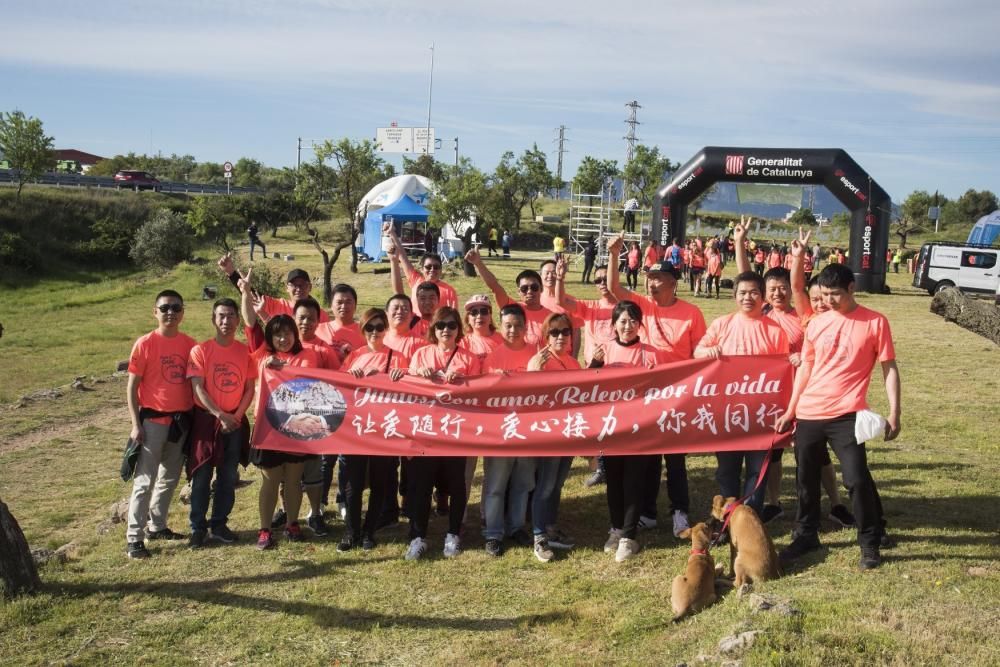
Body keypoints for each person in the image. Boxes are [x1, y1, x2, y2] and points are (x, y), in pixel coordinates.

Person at [775, 263, 901, 570]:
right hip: (810, 412)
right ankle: (806, 534)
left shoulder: (874, 322)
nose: (829, 301)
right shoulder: (816, 324)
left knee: (856, 479)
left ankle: (869, 541)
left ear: (852, 289)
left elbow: (889, 367)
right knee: (806, 479)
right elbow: (806, 368)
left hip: (847, 413)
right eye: (825, 294)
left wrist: (895, 411)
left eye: (835, 295)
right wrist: (792, 410)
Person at [607, 233, 706, 538]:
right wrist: (614, 255)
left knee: (674, 458)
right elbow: (614, 289)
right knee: (646, 458)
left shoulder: (691, 313)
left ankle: (679, 511)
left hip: (676, 394)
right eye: (650, 277)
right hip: (643, 396)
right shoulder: (642, 306)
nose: (652, 283)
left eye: (659, 278)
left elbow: (699, 350)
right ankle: (647, 512)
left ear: (674, 282)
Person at [694, 272, 790, 515]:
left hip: (760, 414)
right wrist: (707, 352)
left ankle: (750, 516)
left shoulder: (775, 331)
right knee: (727, 471)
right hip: (727, 413)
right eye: (743, 293)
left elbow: (783, 374)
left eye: (754, 293)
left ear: (763, 297)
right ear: (734, 296)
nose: (748, 298)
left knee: (758, 472)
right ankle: (729, 518)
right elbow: (697, 352)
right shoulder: (722, 324)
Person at [588, 300, 668, 561]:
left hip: (640, 429)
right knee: (614, 481)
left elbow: (666, 388)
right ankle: (615, 527)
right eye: (622, 321)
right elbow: (589, 386)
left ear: (640, 324)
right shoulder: (604, 351)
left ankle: (628, 536)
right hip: (611, 427)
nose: (628, 326)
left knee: (634, 481)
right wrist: (595, 365)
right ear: (613, 325)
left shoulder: (652, 353)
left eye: (633, 320)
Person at [124, 290, 196, 559]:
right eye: (165, 308)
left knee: (169, 478)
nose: (170, 313)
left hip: (180, 422)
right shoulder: (145, 344)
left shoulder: (190, 344)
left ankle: (157, 526)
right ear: (155, 312)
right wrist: (135, 424)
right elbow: (132, 387)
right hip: (152, 422)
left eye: (176, 308)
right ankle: (134, 538)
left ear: (182, 312)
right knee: (144, 480)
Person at [405, 307, 481, 560]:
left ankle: (453, 535)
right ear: (433, 329)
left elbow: (482, 392)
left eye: (451, 325)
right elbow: (409, 390)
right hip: (425, 432)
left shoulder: (470, 358)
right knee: (421, 487)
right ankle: (418, 536)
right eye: (440, 325)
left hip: (455, 432)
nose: (446, 330)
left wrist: (465, 380)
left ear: (459, 329)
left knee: (457, 486)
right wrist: (419, 375)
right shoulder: (420, 354)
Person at [185, 298, 256, 549]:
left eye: (231, 316)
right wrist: (219, 414)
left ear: (238, 320)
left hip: (235, 422)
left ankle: (219, 524)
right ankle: (197, 528)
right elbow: (198, 388)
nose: (226, 321)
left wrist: (236, 415)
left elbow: (249, 388)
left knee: (227, 475)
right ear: (214, 319)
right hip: (207, 420)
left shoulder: (245, 352)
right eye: (221, 316)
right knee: (202, 474)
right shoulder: (200, 351)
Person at [337, 308, 409, 552]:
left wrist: (398, 376)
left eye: (380, 327)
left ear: (386, 329)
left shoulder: (397, 357)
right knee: (352, 485)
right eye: (370, 327)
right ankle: (351, 531)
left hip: (383, 429)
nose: (375, 332)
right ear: (363, 330)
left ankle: (369, 531)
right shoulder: (354, 356)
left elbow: (409, 389)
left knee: (380, 483)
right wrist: (350, 375)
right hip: (357, 429)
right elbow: (339, 388)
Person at [480, 304, 541, 558]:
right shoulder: (493, 357)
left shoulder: (536, 354)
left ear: (526, 327)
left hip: (529, 430)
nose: (513, 330)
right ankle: (493, 532)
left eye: (518, 325)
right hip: (501, 431)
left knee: (523, 482)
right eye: (508, 326)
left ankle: (516, 526)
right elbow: (482, 396)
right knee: (495, 484)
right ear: (501, 326)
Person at [521, 312, 582, 561]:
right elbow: (527, 397)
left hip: (568, 431)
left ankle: (550, 527)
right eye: (554, 332)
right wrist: (532, 372)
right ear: (546, 336)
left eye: (565, 332)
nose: (560, 336)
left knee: (557, 485)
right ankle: (539, 536)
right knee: (545, 486)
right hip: (548, 432)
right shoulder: (538, 361)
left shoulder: (573, 363)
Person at [555, 260, 618, 487]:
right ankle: (601, 467)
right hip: (594, 372)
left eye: (605, 278)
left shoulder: (624, 306)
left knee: (618, 423)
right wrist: (560, 278)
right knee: (598, 423)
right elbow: (561, 301)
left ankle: (617, 467)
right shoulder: (590, 307)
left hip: (621, 374)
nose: (602, 283)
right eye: (598, 280)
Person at [466, 248, 552, 347]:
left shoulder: (551, 317)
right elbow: (495, 286)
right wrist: (478, 264)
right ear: (519, 291)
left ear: (541, 288)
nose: (529, 291)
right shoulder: (512, 309)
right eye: (524, 288)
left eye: (534, 287)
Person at [218, 254, 329, 323]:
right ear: (287, 288)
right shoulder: (278, 305)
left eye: (302, 285)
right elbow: (252, 296)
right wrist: (232, 273)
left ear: (310, 287)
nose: (298, 289)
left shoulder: (320, 314)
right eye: (294, 285)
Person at [383, 221, 459, 309]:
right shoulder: (416, 281)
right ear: (422, 269)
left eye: (436, 267)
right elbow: (403, 257)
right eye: (428, 267)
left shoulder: (449, 291)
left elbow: (454, 317)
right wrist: (392, 234)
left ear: (441, 270)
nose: (432, 270)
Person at [314, 283, 365, 361]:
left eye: (348, 302)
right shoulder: (317, 329)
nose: (344, 306)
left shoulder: (365, 332)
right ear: (331, 305)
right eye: (339, 302)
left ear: (355, 305)